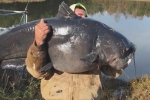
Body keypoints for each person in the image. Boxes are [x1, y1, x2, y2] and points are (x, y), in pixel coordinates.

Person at [25, 3, 122, 100]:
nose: (83, 19)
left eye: (85, 17)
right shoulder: (49, 39)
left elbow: (112, 71)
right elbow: (37, 72)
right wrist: (39, 43)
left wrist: (120, 56)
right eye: (79, 16)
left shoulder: (95, 44)